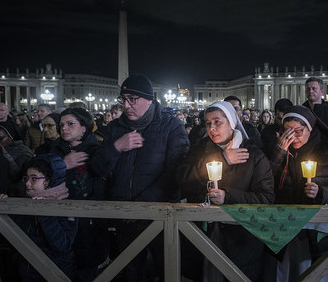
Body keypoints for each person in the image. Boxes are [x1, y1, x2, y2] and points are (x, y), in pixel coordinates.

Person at [90, 74, 189, 281]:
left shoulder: (172, 126)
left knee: (166, 270)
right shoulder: (116, 128)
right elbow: (97, 168)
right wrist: (116, 147)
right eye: (123, 99)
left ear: (149, 99)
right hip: (124, 215)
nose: (126, 105)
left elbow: (175, 173)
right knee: (131, 273)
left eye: (132, 99)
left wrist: (142, 206)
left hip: (160, 215)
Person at [177, 101, 275, 281]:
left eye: (217, 122)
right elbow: (183, 180)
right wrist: (221, 159)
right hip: (202, 233)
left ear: (231, 122)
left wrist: (227, 196)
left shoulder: (254, 155)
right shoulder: (199, 150)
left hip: (243, 239)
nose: (211, 128)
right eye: (208, 123)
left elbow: (266, 198)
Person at [268, 106, 328, 282]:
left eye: (298, 131)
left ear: (311, 129)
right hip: (289, 231)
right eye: (287, 131)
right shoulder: (279, 150)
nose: (292, 137)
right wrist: (279, 153)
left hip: (322, 233)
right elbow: (267, 183)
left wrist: (321, 191)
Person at [51, 107, 108, 281]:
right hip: (59, 219)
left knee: (88, 270)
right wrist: (62, 165)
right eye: (61, 125)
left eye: (70, 124)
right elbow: (38, 178)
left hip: (89, 222)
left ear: (84, 127)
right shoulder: (52, 150)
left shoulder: (98, 151)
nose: (64, 128)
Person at [7, 154, 77, 281]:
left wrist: (44, 213)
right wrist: (2, 206)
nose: (27, 183)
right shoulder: (26, 201)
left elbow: (62, 245)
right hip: (26, 273)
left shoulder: (67, 206)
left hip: (54, 274)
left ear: (49, 181)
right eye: (26, 178)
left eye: (34, 179)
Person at [0, 122, 33, 197]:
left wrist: (5, 154)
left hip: (15, 193)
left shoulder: (23, 152)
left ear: (11, 137)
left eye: (0, 138)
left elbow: (17, 176)